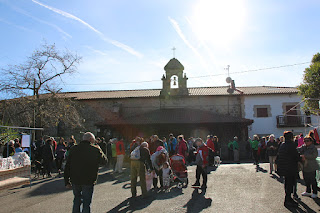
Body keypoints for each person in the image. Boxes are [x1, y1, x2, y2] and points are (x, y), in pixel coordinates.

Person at [64, 132, 107, 213]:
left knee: (76, 200)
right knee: (86, 202)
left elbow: (67, 165)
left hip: (75, 179)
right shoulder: (95, 149)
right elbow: (104, 162)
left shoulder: (74, 149)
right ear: (91, 140)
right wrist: (100, 150)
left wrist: (66, 181)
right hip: (88, 179)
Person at [276, 131, 300, 208]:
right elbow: (295, 156)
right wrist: (301, 158)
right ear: (291, 137)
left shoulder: (282, 145)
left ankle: (288, 198)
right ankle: (287, 200)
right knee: (290, 184)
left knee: (287, 183)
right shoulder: (291, 145)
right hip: (290, 167)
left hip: (284, 167)